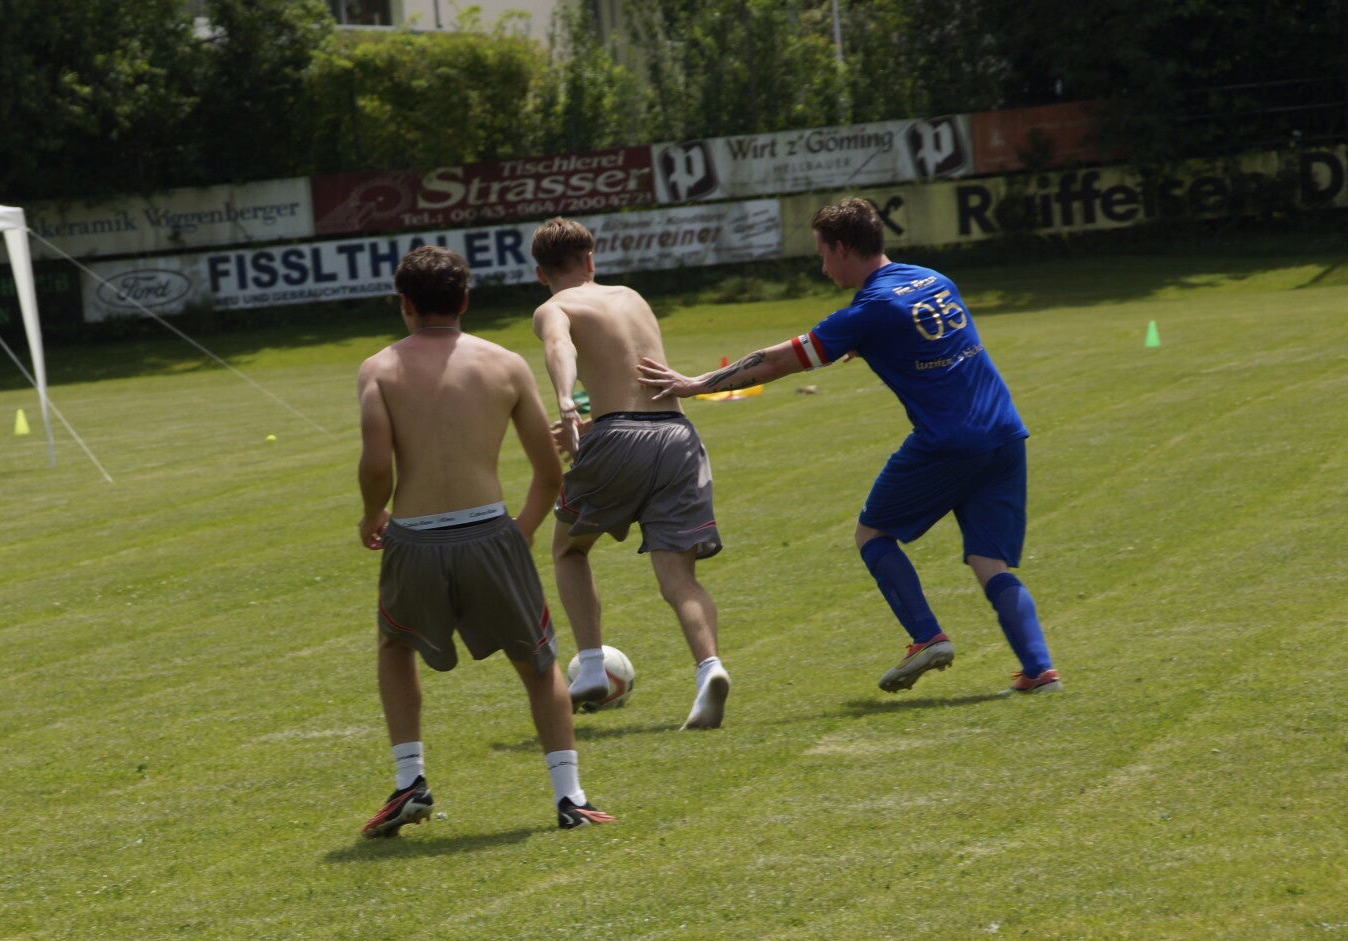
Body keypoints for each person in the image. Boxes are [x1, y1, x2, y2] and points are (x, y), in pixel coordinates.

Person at [637, 197, 1061, 697]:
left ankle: (927, 637)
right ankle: (1040, 671)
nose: (822, 267)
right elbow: (926, 340)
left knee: (872, 533)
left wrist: (696, 384)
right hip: (1005, 433)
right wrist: (873, 343)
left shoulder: (870, 309)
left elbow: (776, 361)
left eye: (822, 254)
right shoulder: (933, 279)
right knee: (989, 560)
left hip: (948, 441)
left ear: (841, 248)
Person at [356, 245, 616, 838]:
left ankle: (409, 780)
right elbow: (549, 472)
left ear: (404, 304)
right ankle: (570, 796)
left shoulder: (379, 368)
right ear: (466, 301)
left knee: (396, 646)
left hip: (415, 538)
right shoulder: (505, 364)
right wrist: (518, 532)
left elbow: (376, 464)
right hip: (491, 533)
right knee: (538, 661)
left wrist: (373, 513)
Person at [529, 217, 732, 731]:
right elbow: (633, 384)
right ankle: (709, 668)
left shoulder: (554, 307)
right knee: (679, 577)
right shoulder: (633, 298)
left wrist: (566, 400)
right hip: (677, 436)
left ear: (540, 274)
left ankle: (591, 666)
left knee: (569, 550)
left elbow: (560, 346)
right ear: (590, 260)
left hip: (617, 437)